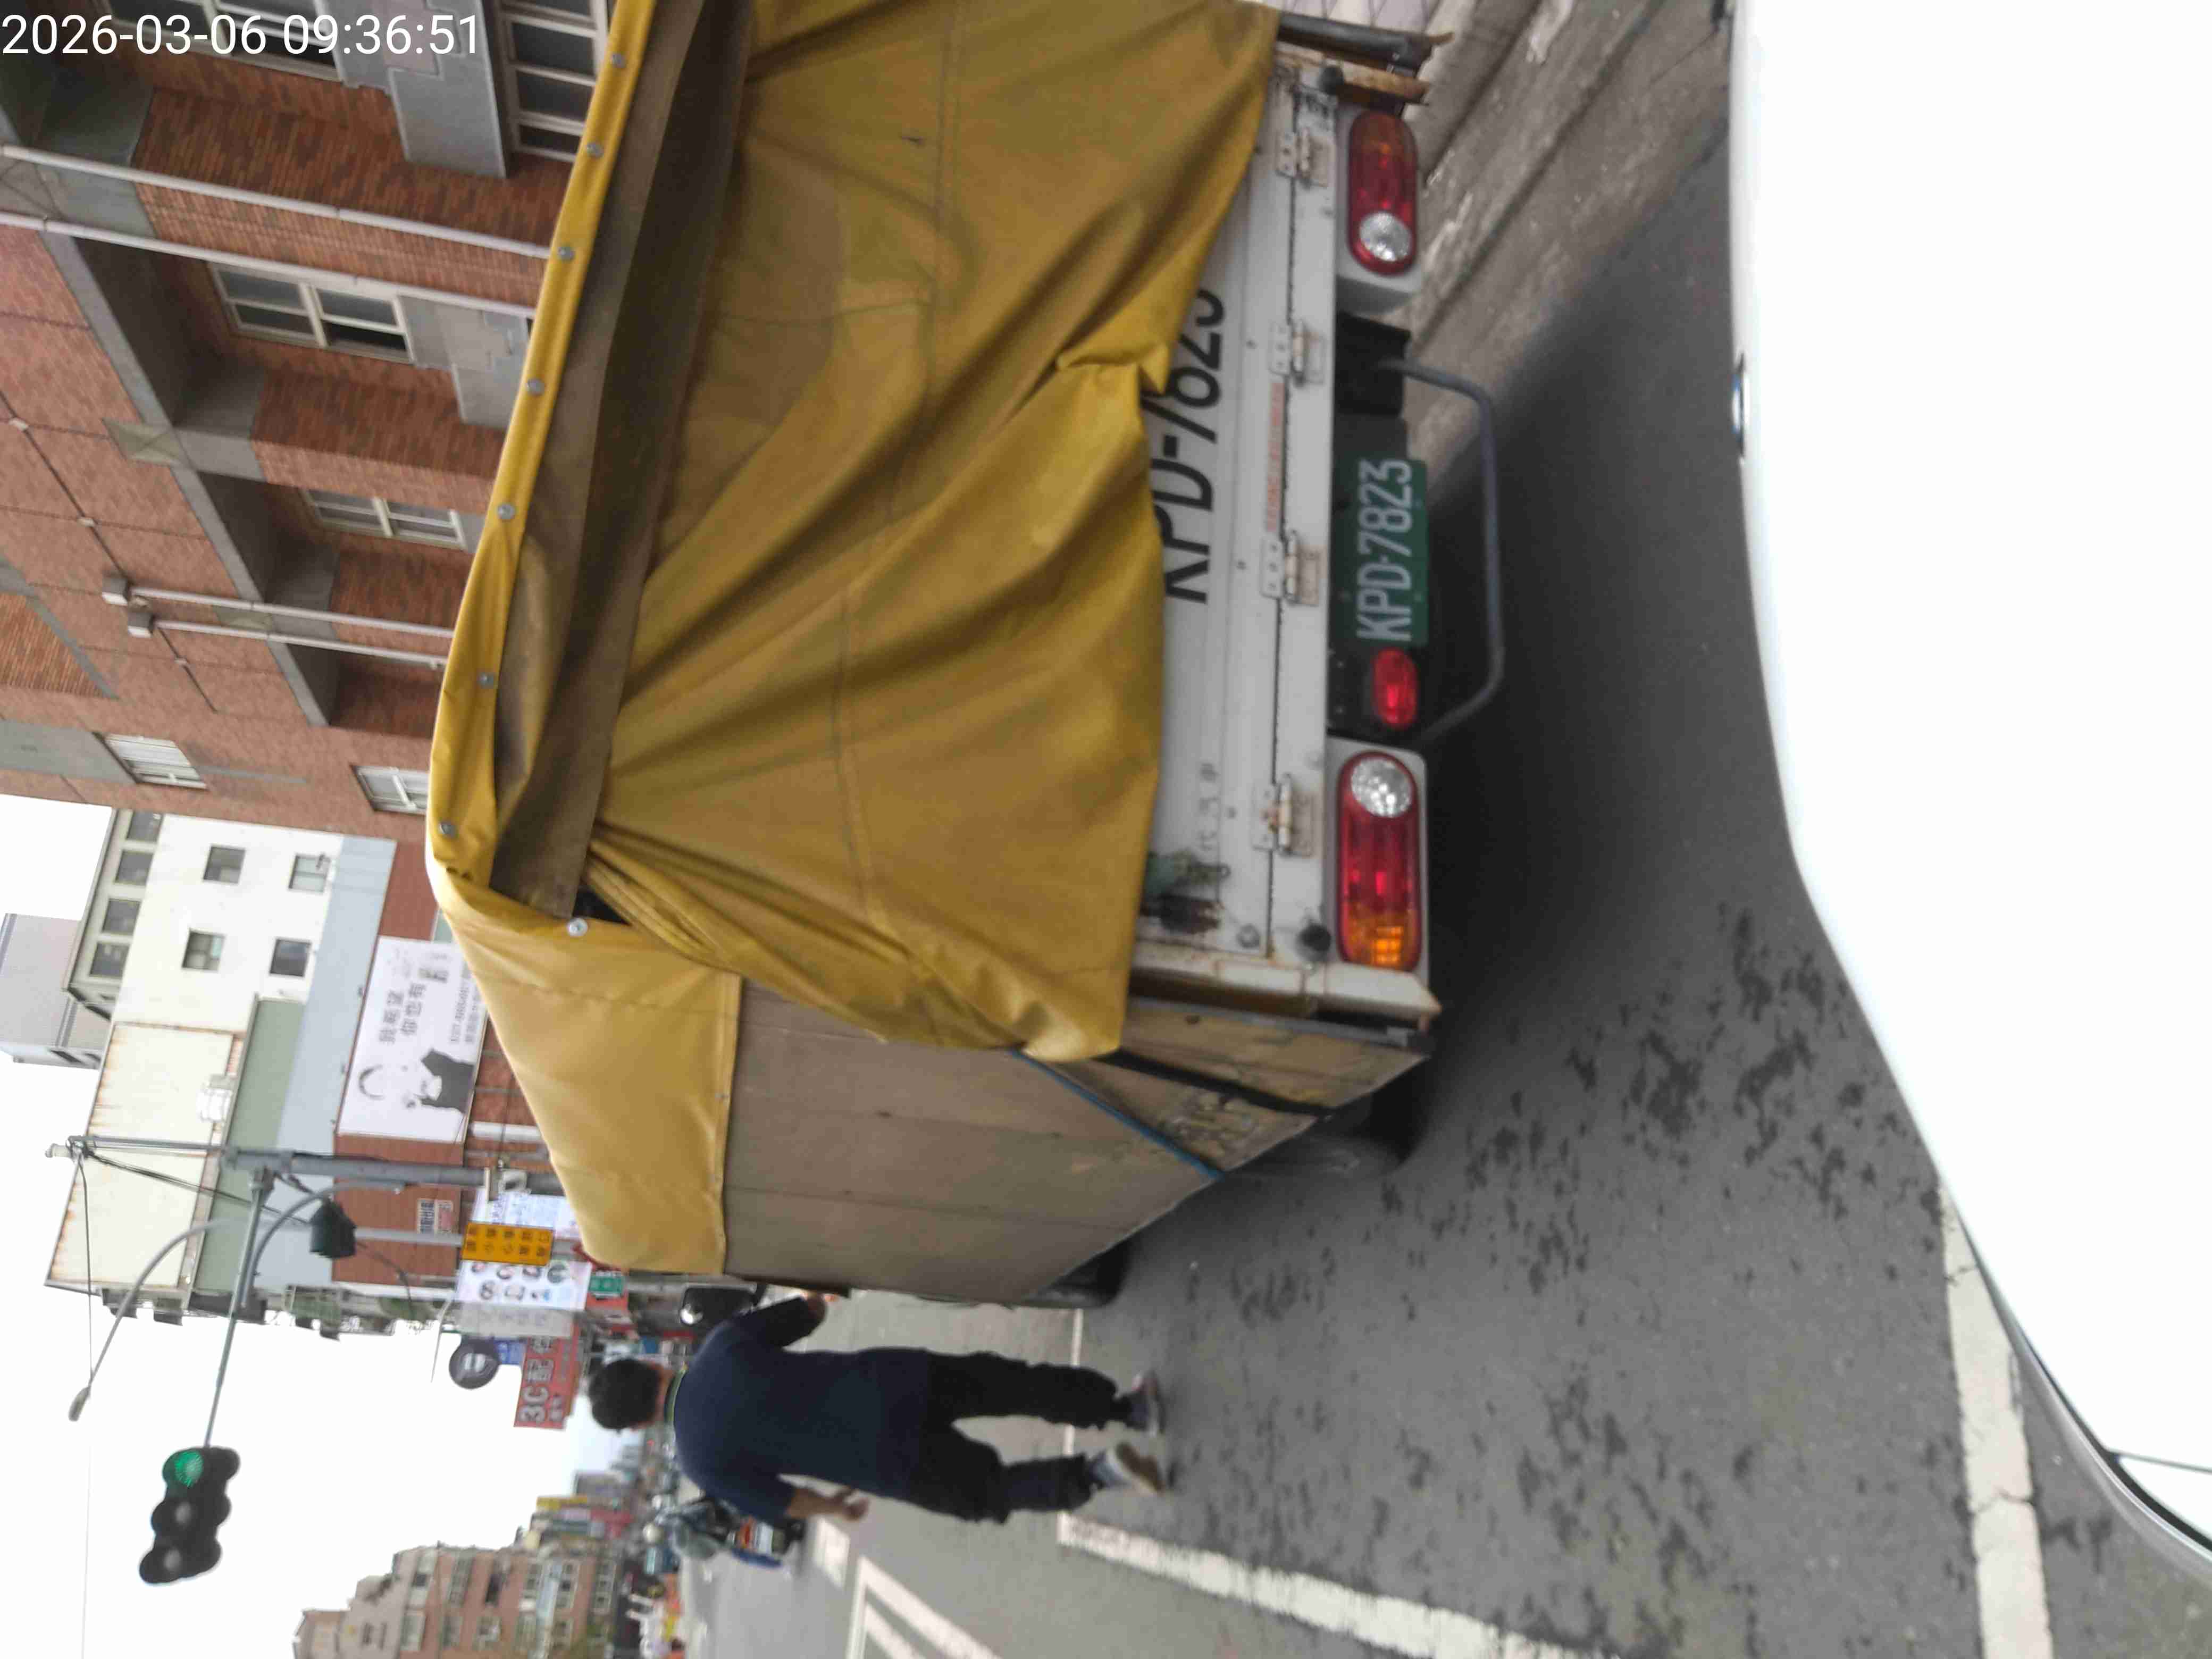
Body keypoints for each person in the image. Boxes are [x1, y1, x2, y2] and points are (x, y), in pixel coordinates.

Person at [586, 1293, 1167, 1528]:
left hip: (888, 1462)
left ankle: (1099, 1474)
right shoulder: (722, 1347)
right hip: (898, 1381)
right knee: (1010, 1386)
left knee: (987, 1493)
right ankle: (1127, 1409)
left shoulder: (701, 1462)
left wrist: (835, 1508)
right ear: (650, 1366)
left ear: (637, 1424)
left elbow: (788, 1501)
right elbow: (811, 1311)